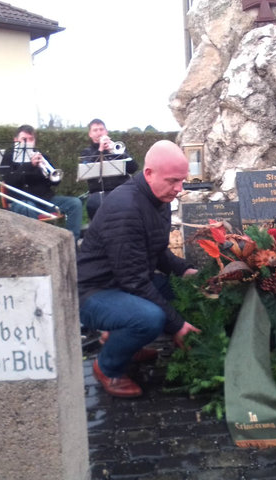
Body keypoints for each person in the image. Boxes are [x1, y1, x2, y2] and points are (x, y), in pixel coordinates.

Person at [77, 140, 200, 398]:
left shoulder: (158, 198)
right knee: (149, 318)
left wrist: (186, 271)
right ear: (148, 174)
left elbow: (157, 252)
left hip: (124, 282)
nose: (179, 189)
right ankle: (108, 366)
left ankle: (126, 344)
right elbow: (134, 281)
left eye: (182, 181)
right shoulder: (126, 208)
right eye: (172, 181)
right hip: (95, 291)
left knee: (185, 290)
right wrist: (178, 325)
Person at [0, 125, 83, 241]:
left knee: (75, 203)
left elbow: (53, 183)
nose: (27, 143)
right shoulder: (8, 158)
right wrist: (29, 165)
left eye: (31, 139)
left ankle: (71, 244)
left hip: (45, 201)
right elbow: (9, 181)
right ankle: (38, 246)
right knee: (28, 208)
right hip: (21, 202)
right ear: (15, 140)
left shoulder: (42, 157)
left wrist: (53, 177)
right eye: (24, 139)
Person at [79, 118, 138, 220]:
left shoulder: (117, 148)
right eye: (95, 130)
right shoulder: (87, 152)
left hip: (121, 189)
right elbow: (86, 170)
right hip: (97, 192)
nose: (99, 133)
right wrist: (100, 150)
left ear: (106, 132)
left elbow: (133, 167)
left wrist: (118, 153)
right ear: (90, 134)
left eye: (101, 129)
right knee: (93, 204)